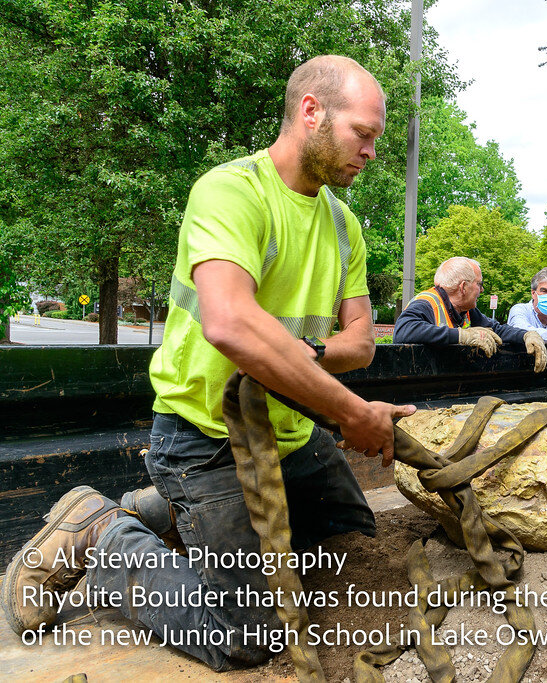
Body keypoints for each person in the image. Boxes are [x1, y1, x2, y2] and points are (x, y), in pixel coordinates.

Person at [1, 55, 415, 671]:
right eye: (364, 134)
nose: (372, 151)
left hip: (292, 433)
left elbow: (360, 341)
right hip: (206, 438)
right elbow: (228, 323)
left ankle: (162, 511)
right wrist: (353, 414)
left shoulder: (342, 221)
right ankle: (102, 531)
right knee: (247, 635)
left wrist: (301, 358)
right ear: (311, 112)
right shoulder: (230, 191)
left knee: (347, 551)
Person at [393, 257, 547, 372]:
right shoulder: (426, 303)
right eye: (479, 284)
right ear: (463, 287)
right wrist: (461, 336)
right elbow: (403, 331)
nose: (482, 290)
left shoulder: (466, 310)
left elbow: (497, 330)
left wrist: (526, 335)